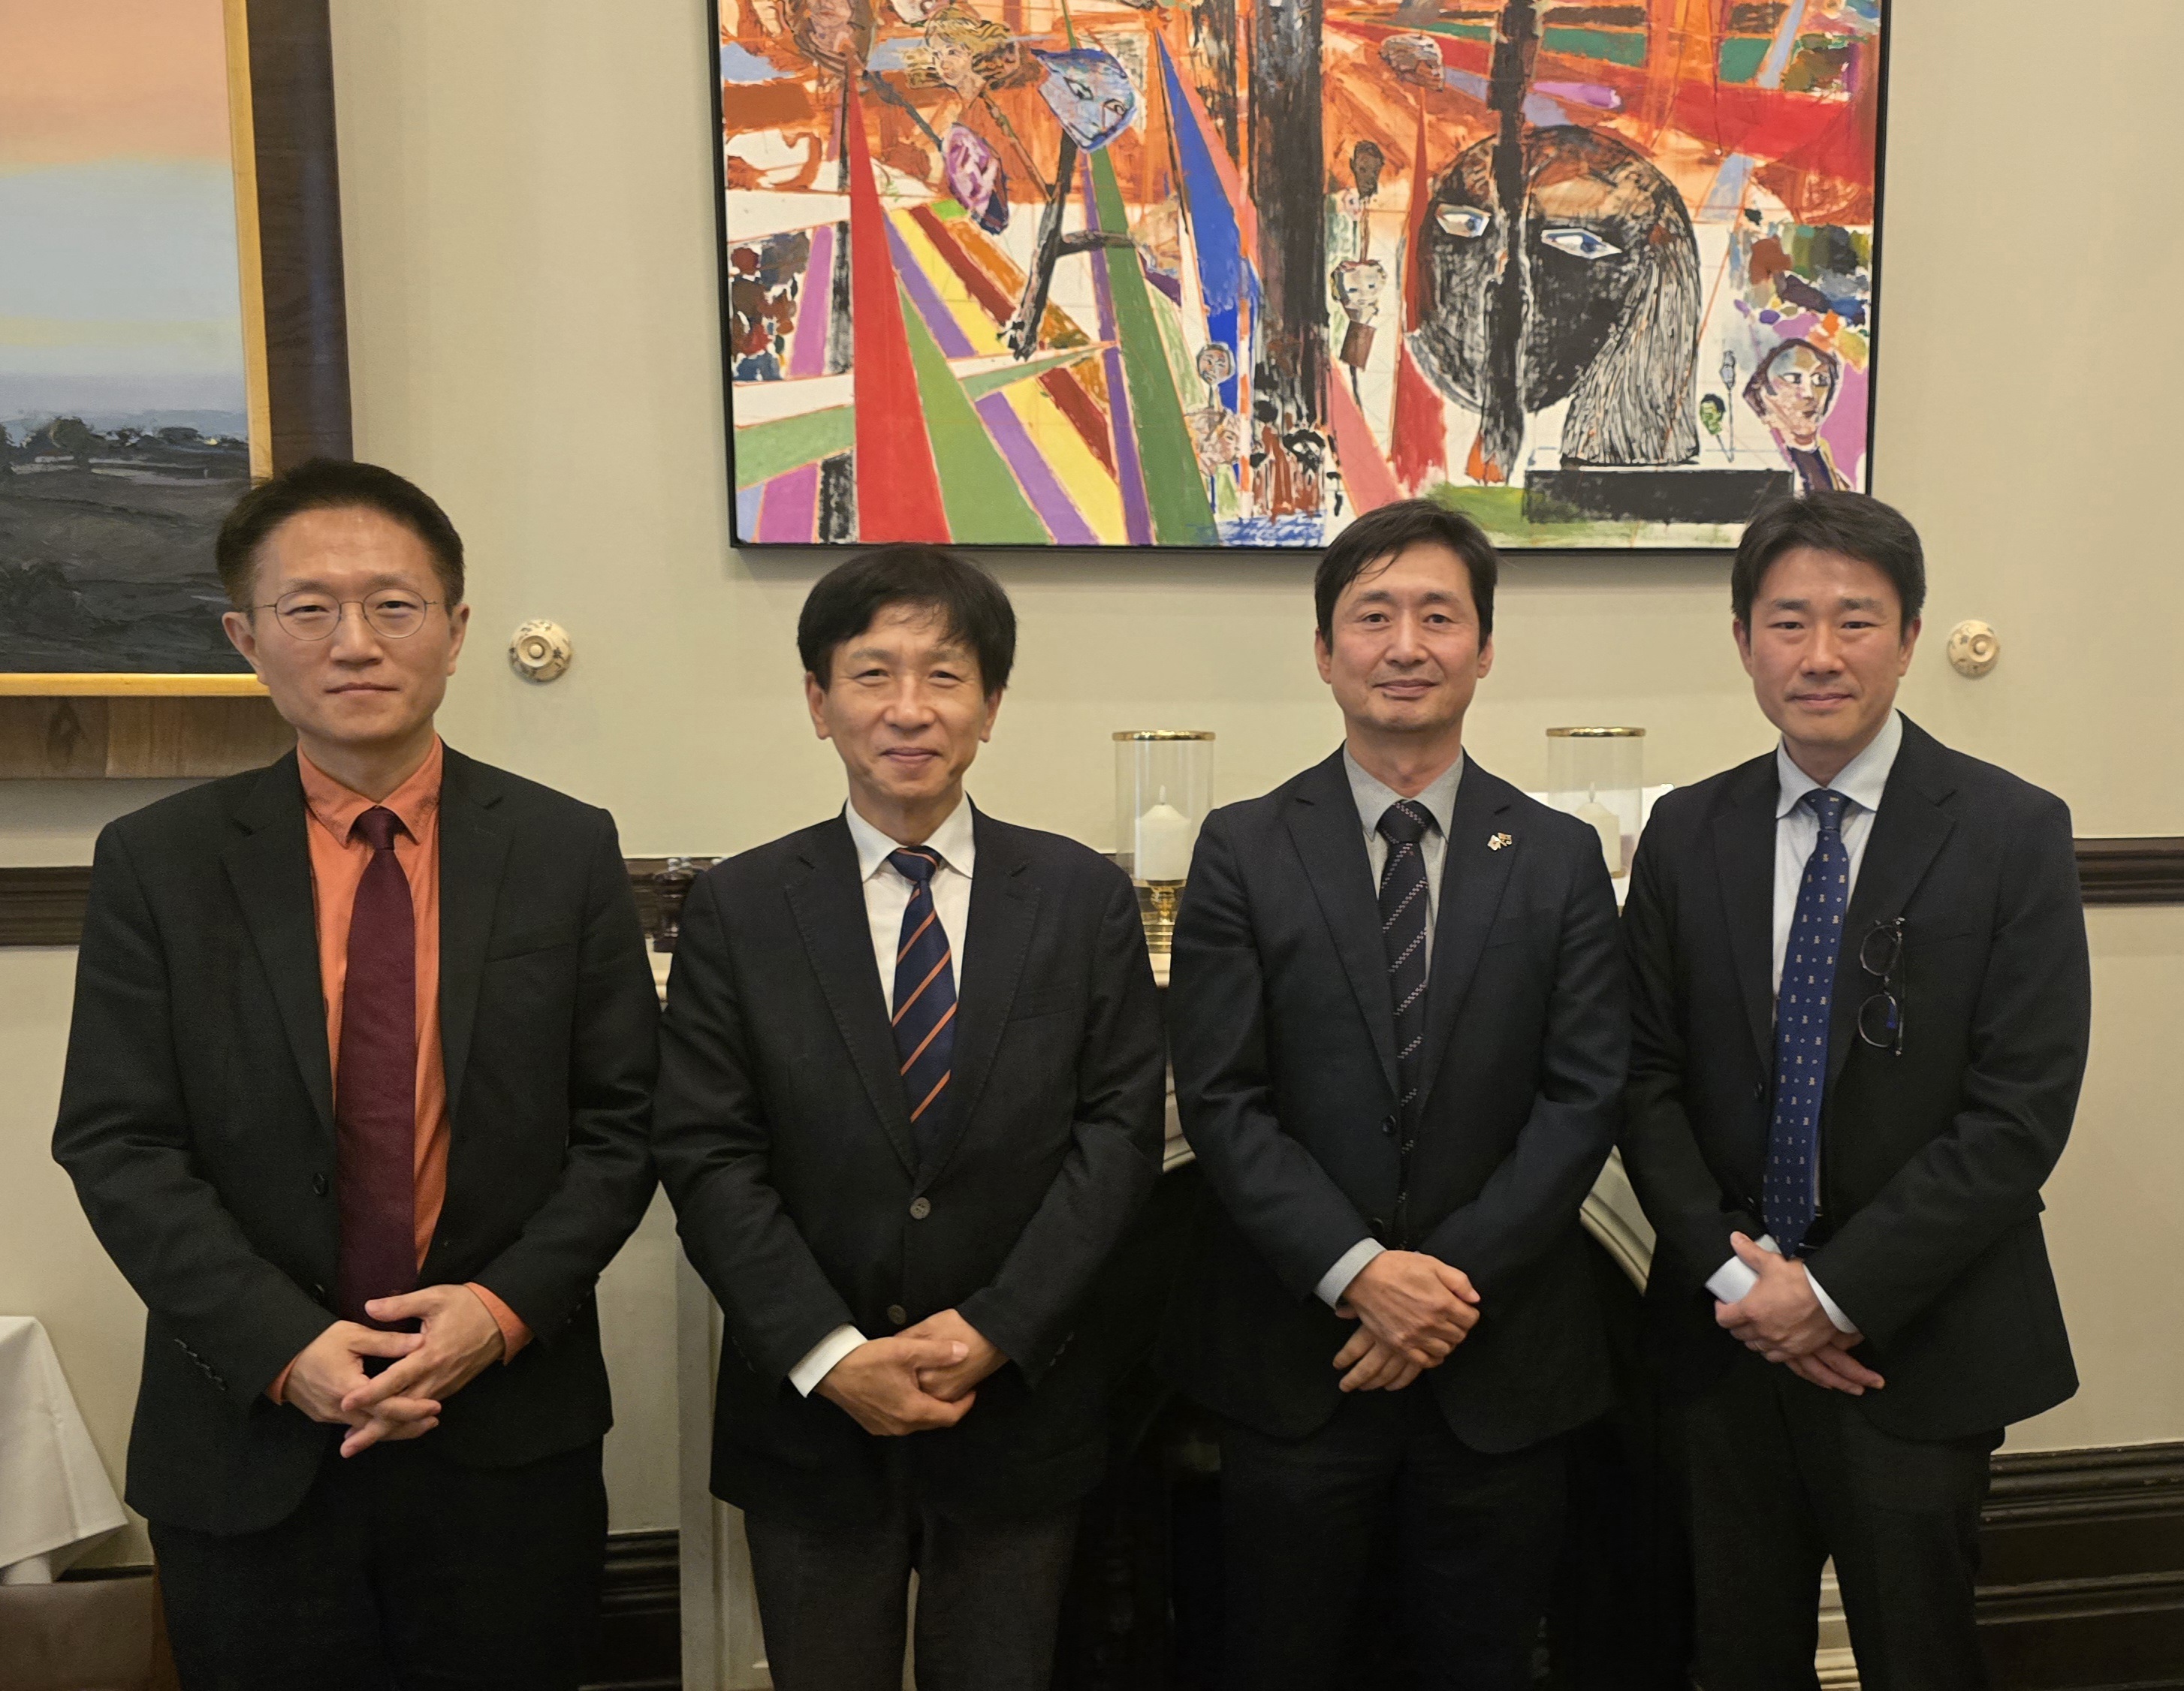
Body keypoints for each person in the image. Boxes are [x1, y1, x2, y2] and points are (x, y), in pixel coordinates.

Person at [51, 459, 660, 1689]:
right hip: (250, 1443)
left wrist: (498, 1314)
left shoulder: (564, 848)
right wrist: (286, 1346)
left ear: (456, 631)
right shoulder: (159, 863)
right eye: (309, 608)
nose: (355, 643)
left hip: (505, 1435)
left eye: (394, 605)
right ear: (247, 640)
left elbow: (625, 1125)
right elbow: (118, 1143)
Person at [652, 544, 1166, 1691]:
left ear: (991, 705)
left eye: (944, 675)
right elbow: (706, 1152)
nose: (908, 708)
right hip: (812, 1413)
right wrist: (831, 1354)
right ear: (818, 702)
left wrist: (996, 1329)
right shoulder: (742, 904)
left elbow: (1118, 1139)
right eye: (872, 673)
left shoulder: (1079, 896)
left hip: (1016, 1402)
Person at [1621, 490, 2090, 1689]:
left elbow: (2019, 1111)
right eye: (1787, 622)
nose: (1819, 655)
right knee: (1735, 1656)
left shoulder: (2012, 830)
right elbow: (1643, 1080)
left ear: (1911, 636)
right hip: (1726, 1345)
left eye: (1855, 621)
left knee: (1921, 1656)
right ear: (1744, 641)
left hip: (1920, 1340)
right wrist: (1750, 1288)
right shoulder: (1685, 831)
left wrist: (1835, 1294)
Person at [1160, 499, 1627, 1691]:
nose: (1406, 645)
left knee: (1481, 1662)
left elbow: (1583, 1096)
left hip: (1499, 1361)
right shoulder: (1242, 848)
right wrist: (1362, 1275)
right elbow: (1221, 1097)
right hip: (1299, 1358)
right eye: (1373, 617)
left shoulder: (1560, 854)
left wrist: (1442, 1290)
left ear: (1485, 647)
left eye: (1438, 616)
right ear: (1325, 652)